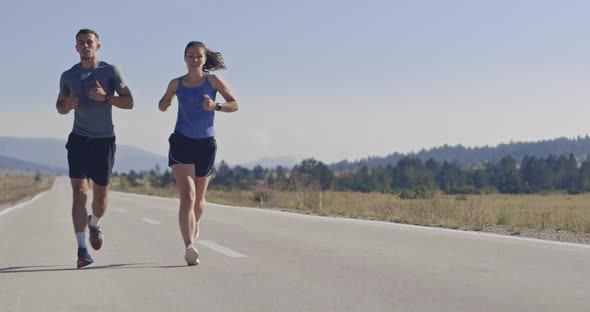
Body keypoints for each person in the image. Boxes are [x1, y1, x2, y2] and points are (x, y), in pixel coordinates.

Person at [56, 29, 134, 268]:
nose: (85, 46)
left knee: (99, 201)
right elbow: (59, 105)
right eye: (81, 43)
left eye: (89, 42)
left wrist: (106, 98)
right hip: (79, 139)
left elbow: (129, 102)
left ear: (98, 46)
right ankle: (82, 250)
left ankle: (94, 223)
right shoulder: (68, 76)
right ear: (76, 48)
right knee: (80, 193)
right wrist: (66, 105)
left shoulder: (109, 71)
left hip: (104, 141)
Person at [158, 41, 238, 266]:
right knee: (188, 196)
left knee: (199, 200)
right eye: (190, 55)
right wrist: (164, 103)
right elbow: (162, 103)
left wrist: (216, 107)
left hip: (206, 144)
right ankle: (189, 246)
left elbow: (235, 104)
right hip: (181, 141)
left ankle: (195, 223)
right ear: (185, 58)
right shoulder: (176, 83)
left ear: (204, 59)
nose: (194, 59)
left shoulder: (212, 81)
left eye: (198, 56)